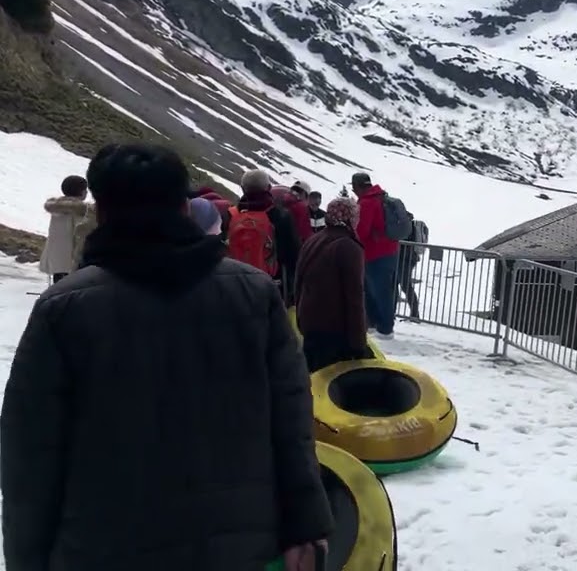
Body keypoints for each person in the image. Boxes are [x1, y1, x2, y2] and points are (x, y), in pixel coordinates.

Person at [0, 143, 332, 570]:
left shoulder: (64, 308)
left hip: (101, 546)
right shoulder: (253, 293)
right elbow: (291, 419)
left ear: (101, 212)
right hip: (236, 543)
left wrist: (27, 559)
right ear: (184, 207)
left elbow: (30, 453)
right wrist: (305, 523)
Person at [295, 197, 374, 371]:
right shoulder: (349, 246)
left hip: (310, 324)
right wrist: (358, 343)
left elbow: (299, 281)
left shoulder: (314, 239)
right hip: (335, 332)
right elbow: (354, 297)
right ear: (350, 217)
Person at [230, 170, 300, 305]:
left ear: (243, 188)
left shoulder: (232, 215)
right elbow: (293, 255)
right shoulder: (280, 216)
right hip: (272, 285)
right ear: (268, 188)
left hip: (237, 285)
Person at [352, 172, 401, 340]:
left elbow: (362, 231)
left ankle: (384, 328)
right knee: (382, 290)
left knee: (378, 292)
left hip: (374, 253)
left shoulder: (367, 202)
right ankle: (378, 325)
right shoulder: (381, 197)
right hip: (389, 251)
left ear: (357, 186)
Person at [38, 175, 94, 283]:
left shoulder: (56, 209)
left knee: (59, 284)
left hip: (57, 257)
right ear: (81, 192)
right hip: (73, 258)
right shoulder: (81, 211)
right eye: (85, 189)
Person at [395, 212, 425, 320]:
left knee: (405, 285)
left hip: (405, 259)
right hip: (406, 259)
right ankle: (393, 312)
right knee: (396, 285)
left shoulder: (406, 227)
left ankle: (415, 314)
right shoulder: (408, 226)